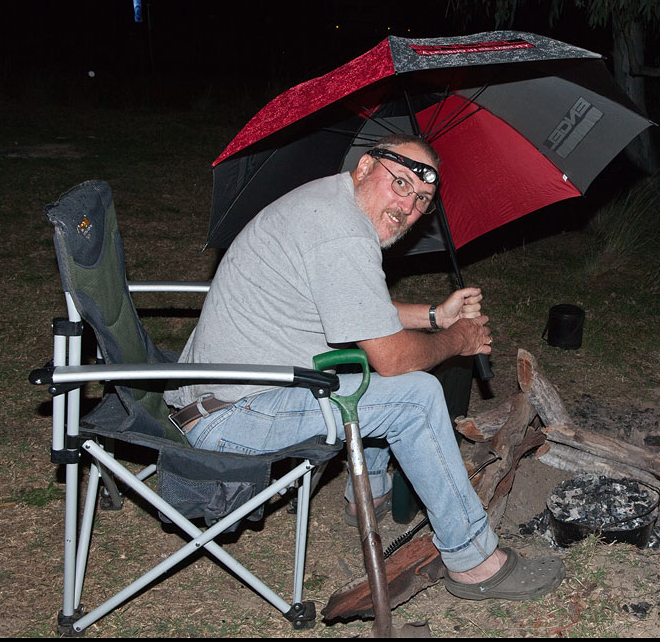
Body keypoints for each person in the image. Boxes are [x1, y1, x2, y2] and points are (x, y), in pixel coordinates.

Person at [164, 134, 564, 600]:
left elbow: (360, 308)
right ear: (365, 167)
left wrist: (437, 315)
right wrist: (459, 339)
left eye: (421, 200)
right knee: (414, 397)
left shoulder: (329, 203)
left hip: (219, 392)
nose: (407, 206)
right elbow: (393, 358)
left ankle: (367, 496)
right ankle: (473, 560)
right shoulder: (341, 234)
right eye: (400, 183)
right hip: (231, 416)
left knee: (368, 376)